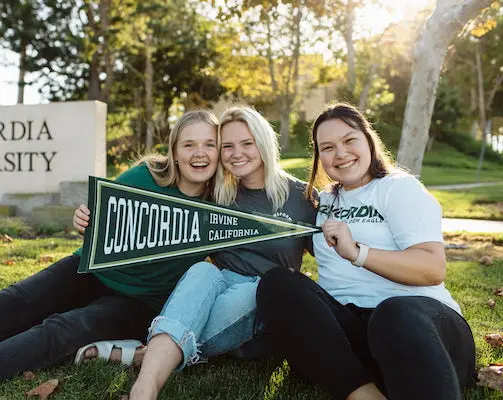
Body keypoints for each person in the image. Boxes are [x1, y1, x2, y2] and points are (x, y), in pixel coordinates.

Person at [255, 103, 475, 400]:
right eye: (328, 148)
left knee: (392, 312)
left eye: (349, 140)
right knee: (278, 283)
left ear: (368, 140)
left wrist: (358, 253)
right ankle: (365, 395)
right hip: (358, 340)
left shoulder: (398, 188)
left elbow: (432, 268)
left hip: (421, 332)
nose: (341, 154)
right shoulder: (323, 201)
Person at [0, 109, 219, 380]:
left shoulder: (221, 208)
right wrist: (84, 219)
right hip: (93, 269)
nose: (200, 153)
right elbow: (99, 214)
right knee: (18, 300)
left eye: (210, 144)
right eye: (189, 144)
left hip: (139, 302)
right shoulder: (145, 176)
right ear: (174, 152)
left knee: (61, 329)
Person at [128, 106, 317, 400]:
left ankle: (140, 355)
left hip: (264, 294)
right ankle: (145, 390)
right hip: (217, 283)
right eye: (227, 146)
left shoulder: (302, 197)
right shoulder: (218, 195)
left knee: (244, 294)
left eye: (247, 143)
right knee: (202, 270)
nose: (236, 153)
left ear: (264, 143)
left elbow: (330, 259)